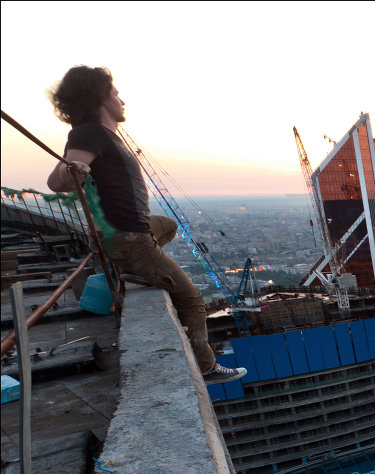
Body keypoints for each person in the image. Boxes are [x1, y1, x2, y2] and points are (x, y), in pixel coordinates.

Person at [47, 66, 245, 385]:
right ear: (100, 97)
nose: (121, 99)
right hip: (128, 237)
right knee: (192, 300)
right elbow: (58, 180)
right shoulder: (88, 133)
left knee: (167, 224)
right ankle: (207, 367)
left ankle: (131, 269)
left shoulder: (107, 136)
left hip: (135, 229)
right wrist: (74, 172)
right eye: (114, 94)